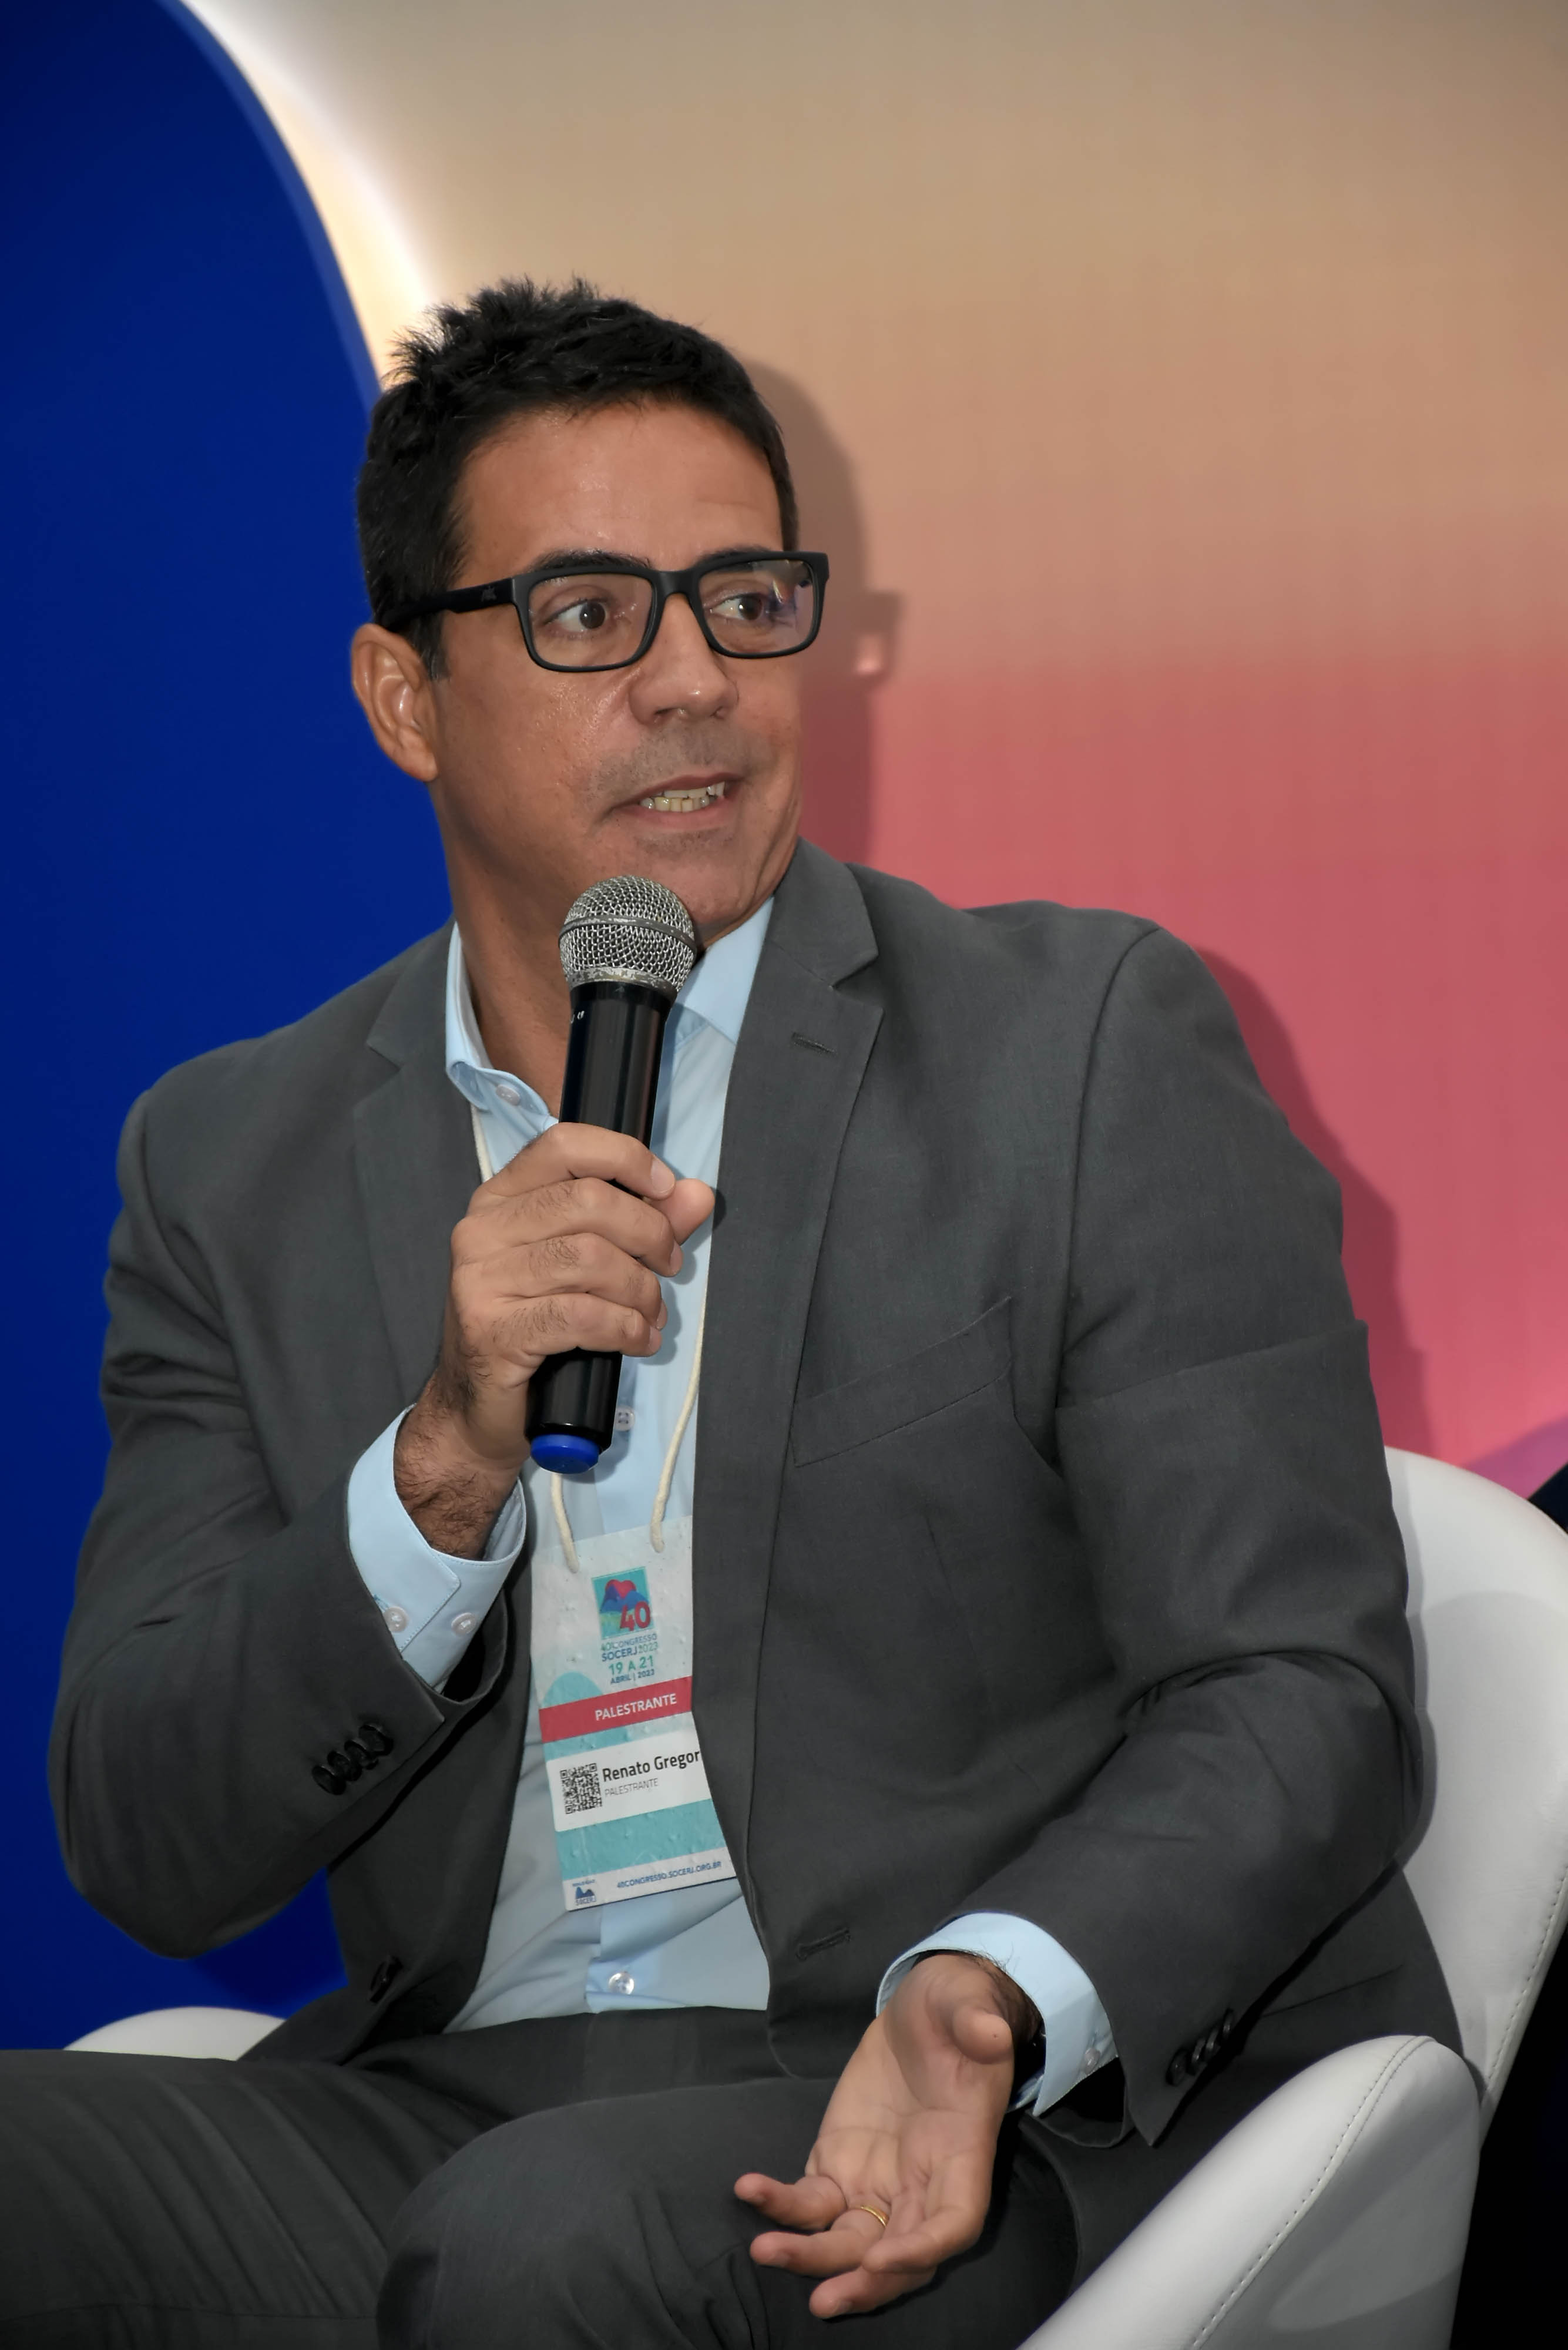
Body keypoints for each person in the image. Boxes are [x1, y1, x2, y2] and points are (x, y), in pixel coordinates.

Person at [4, 281, 1458, 2348]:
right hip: (449, 2099)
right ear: (406, 697)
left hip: (972, 2108)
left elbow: (1302, 1689)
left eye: (747, 602)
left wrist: (992, 1991)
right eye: (591, 614)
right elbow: (151, 1838)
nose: (696, 682)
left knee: (540, 2251)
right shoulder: (228, 1161)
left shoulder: (1076, 1049)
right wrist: (442, 1462)